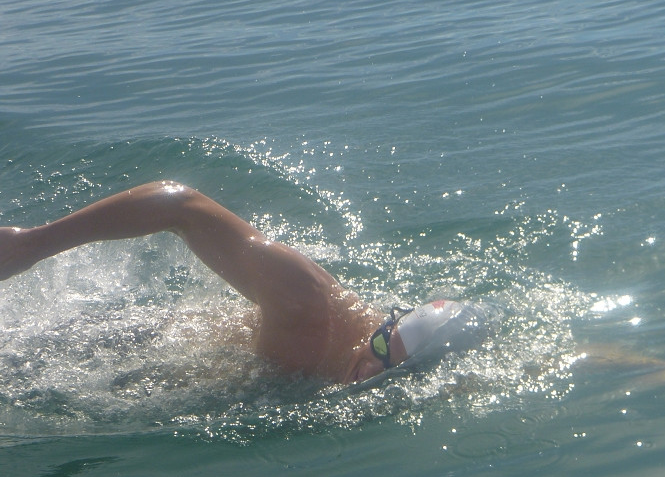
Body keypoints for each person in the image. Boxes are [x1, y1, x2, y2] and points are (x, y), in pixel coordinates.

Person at [0, 181, 451, 385]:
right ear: (386, 326)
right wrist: (32, 245)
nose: (369, 374)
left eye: (390, 376)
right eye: (379, 349)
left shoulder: (365, 380)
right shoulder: (305, 303)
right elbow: (182, 206)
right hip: (99, 348)